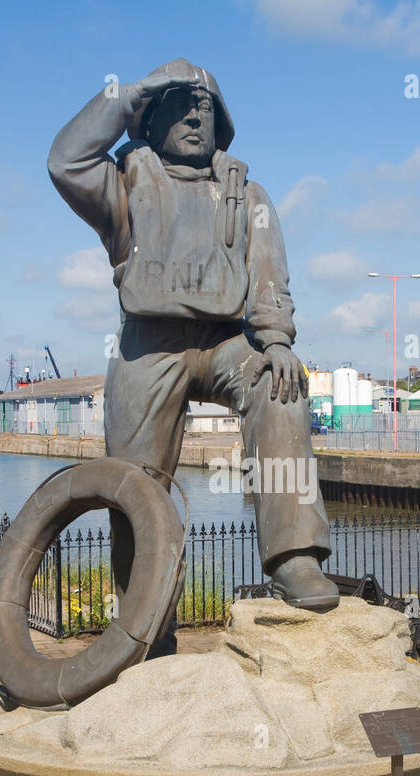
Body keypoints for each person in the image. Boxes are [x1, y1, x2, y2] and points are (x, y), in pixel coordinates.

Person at [48, 58, 339, 654]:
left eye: (204, 109)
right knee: (135, 482)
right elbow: (65, 160)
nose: (193, 117)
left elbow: (268, 275)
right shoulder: (125, 183)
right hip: (148, 344)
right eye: (178, 106)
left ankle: (293, 558)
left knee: (279, 386)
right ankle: (146, 614)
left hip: (227, 340)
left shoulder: (247, 194)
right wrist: (131, 92)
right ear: (149, 121)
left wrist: (278, 340)